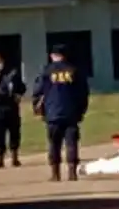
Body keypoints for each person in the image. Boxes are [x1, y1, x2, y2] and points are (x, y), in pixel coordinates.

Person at [32, 45, 90, 182]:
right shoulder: (74, 70)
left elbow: (37, 91)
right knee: (71, 144)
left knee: (54, 144)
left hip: (52, 114)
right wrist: (81, 111)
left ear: (52, 56)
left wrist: (38, 109)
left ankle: (55, 173)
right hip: (71, 114)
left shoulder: (46, 71)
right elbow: (83, 93)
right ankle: (72, 172)